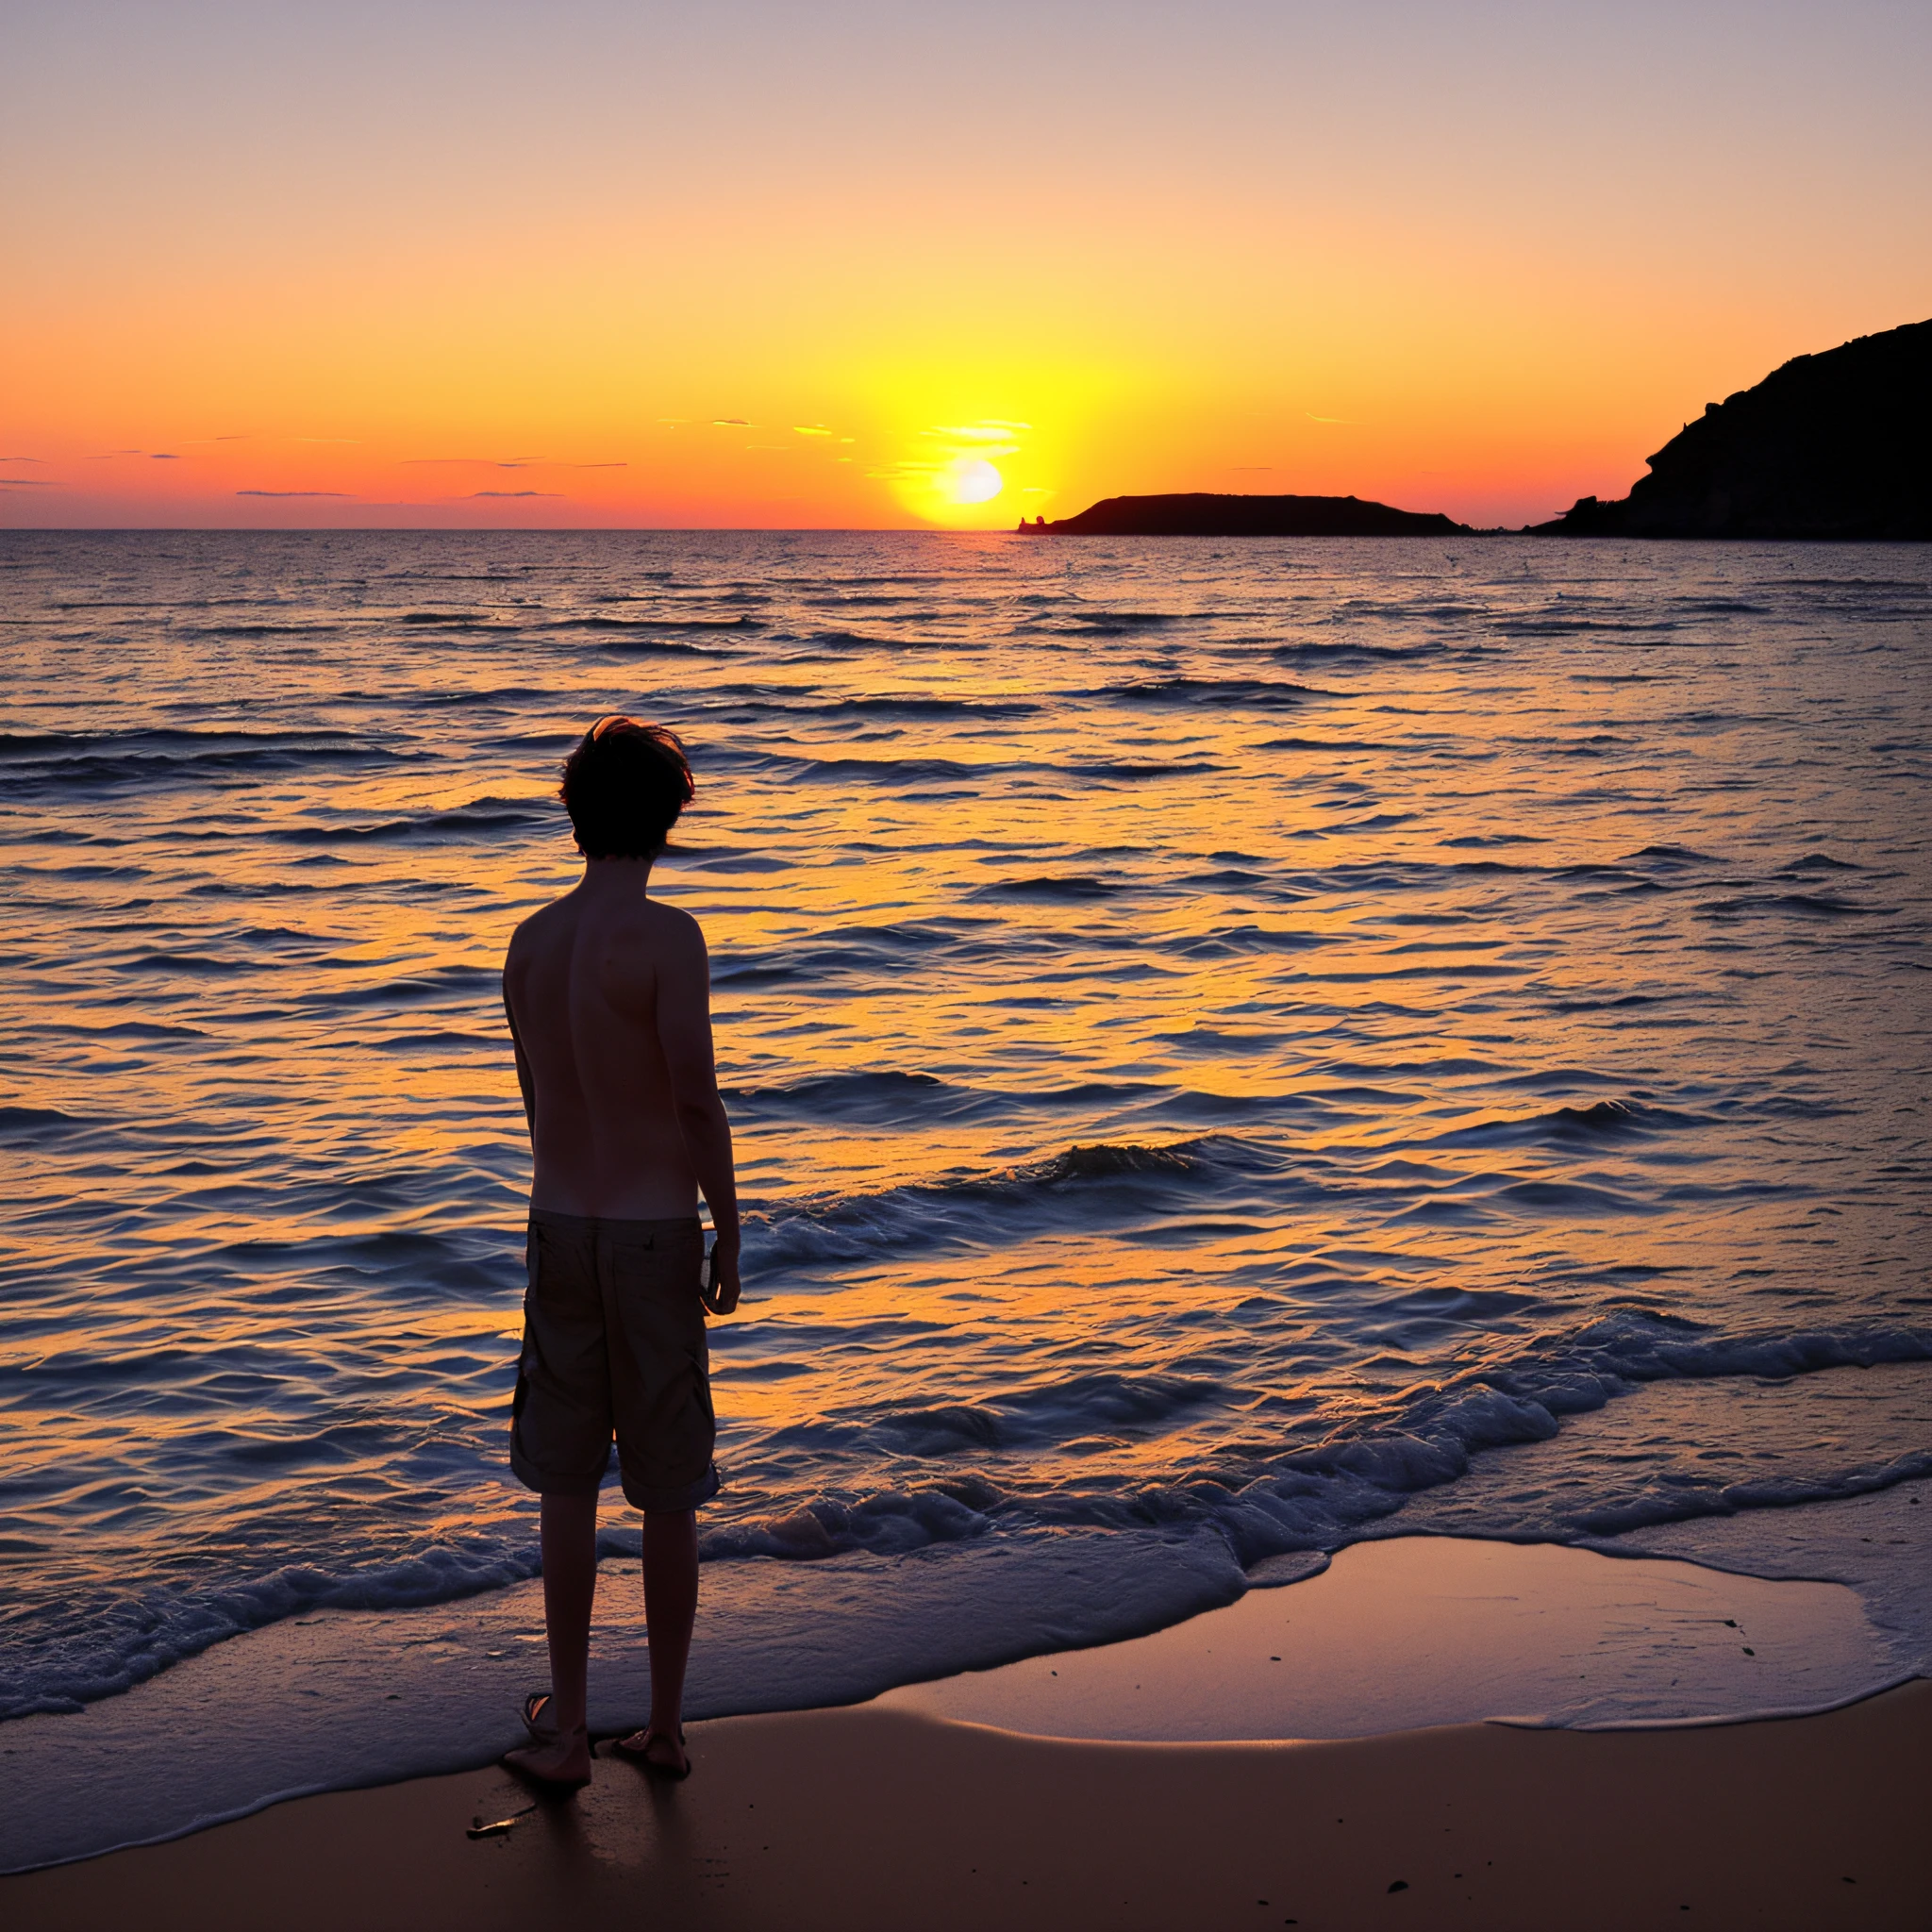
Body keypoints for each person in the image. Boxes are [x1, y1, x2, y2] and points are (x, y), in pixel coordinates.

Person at [498, 715, 741, 1787]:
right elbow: (693, 1096)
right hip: (649, 1233)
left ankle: (565, 1728)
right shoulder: (667, 938)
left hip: (558, 1225)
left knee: (565, 1484)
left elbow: (536, 1098)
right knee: (668, 1487)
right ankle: (665, 1725)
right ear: (669, 817)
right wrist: (727, 1227)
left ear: (572, 810)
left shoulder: (531, 940)